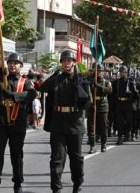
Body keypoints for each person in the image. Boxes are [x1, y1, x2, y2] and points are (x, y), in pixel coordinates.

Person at [0, 53, 35, 193]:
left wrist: (13, 96)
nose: (12, 65)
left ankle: (17, 183)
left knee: (16, 155)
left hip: (17, 123)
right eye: (10, 62)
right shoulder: (0, 79)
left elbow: (32, 94)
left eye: (15, 63)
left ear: (20, 66)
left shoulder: (25, 82)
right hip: (0, 122)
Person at [40, 50, 90, 193]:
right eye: (64, 60)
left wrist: (81, 89)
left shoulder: (81, 79)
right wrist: (53, 75)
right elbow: (42, 88)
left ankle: (77, 183)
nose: (67, 63)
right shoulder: (56, 79)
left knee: (76, 157)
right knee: (57, 158)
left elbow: (87, 105)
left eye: (69, 60)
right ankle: (56, 188)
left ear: (74, 62)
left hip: (75, 122)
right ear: (61, 63)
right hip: (58, 122)